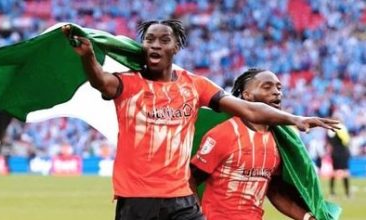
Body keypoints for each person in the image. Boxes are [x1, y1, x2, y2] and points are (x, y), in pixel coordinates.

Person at [62, 20, 337, 220]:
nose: (155, 44)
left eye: (163, 40)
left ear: (177, 46)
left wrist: (295, 119)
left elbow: (249, 110)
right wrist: (88, 59)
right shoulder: (127, 84)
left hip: (180, 200)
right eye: (149, 39)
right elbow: (101, 82)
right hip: (137, 200)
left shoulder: (195, 86)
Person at [190, 68, 316, 220]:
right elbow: (191, 179)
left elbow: (274, 191)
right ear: (247, 95)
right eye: (267, 87)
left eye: (279, 87)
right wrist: (195, 216)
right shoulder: (224, 134)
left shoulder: (277, 140)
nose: (276, 92)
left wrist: (308, 218)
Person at [326, 110, 351, 198]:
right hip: (343, 152)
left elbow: (329, 143)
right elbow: (346, 141)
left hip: (334, 153)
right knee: (345, 172)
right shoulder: (342, 128)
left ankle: (332, 192)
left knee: (334, 172)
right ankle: (347, 193)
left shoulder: (329, 129)